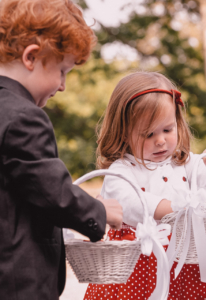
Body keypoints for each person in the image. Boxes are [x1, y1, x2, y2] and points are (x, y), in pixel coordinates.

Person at [0, 1, 123, 299]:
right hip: (19, 281)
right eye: (62, 70)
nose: (63, 85)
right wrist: (100, 211)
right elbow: (53, 192)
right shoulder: (25, 118)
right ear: (31, 57)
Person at [83, 71, 206, 300]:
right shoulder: (121, 170)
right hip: (138, 262)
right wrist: (172, 208)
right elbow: (128, 203)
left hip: (185, 261)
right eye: (148, 134)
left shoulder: (184, 162)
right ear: (124, 134)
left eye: (167, 129)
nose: (160, 140)